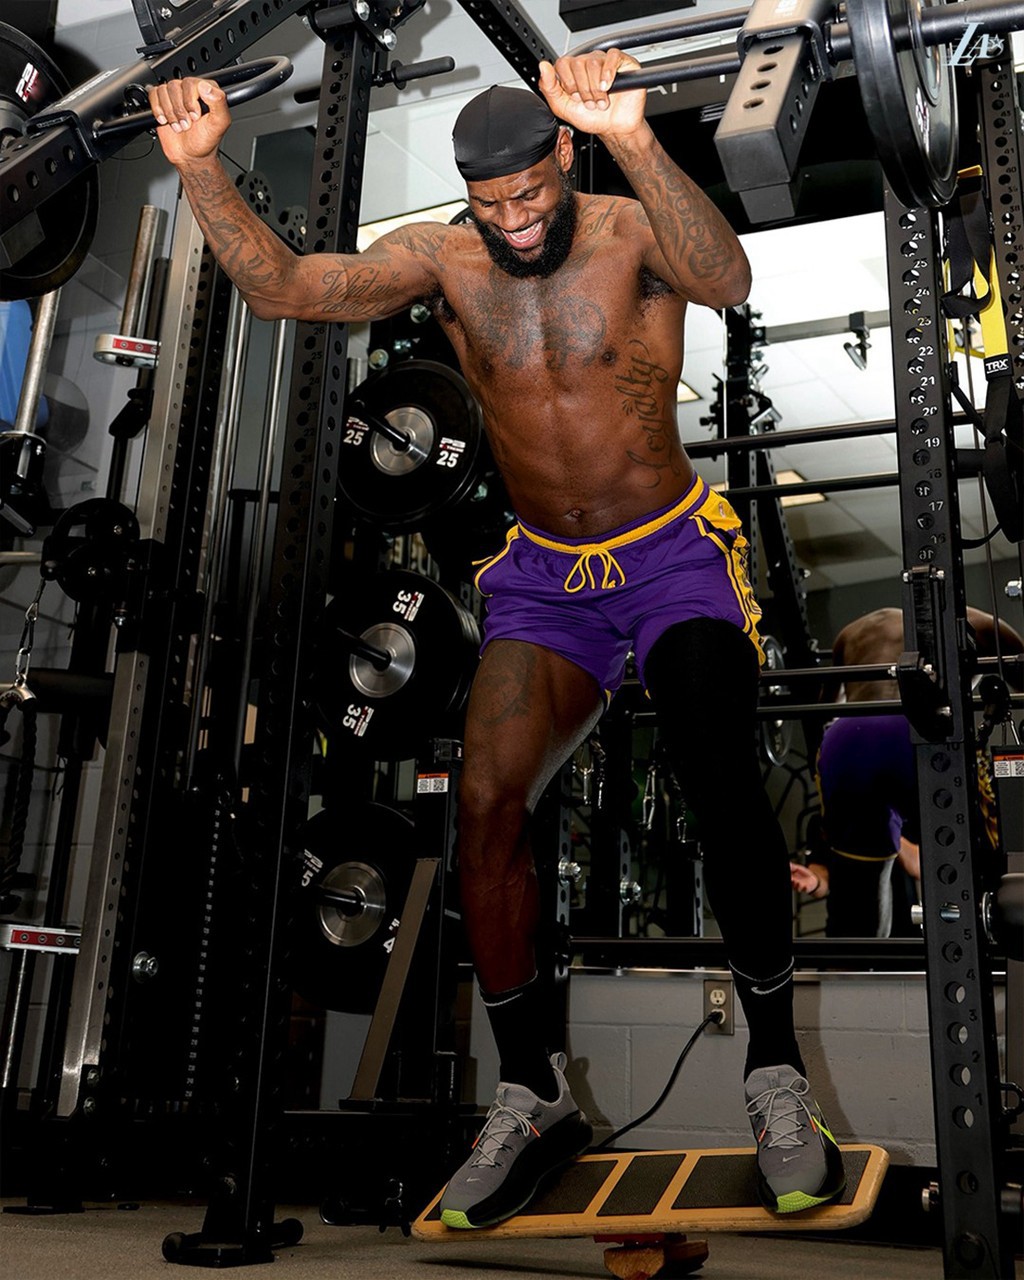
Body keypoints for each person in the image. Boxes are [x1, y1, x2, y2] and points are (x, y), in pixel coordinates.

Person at [148, 51, 845, 1228]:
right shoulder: (444, 257)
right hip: (543, 580)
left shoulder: (629, 229)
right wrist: (203, 169)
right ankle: (530, 1091)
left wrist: (632, 134)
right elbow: (287, 289)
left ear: (562, 156)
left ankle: (775, 1072)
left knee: (718, 773)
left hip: (670, 554)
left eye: (528, 195)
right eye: (491, 204)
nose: (513, 220)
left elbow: (724, 278)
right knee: (481, 799)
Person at [815, 606, 1023, 937]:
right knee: (984, 851)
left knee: (861, 878)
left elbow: (824, 708)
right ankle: (991, 945)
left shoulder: (854, 629)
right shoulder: (981, 623)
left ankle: (864, 959)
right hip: (915, 730)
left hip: (845, 739)